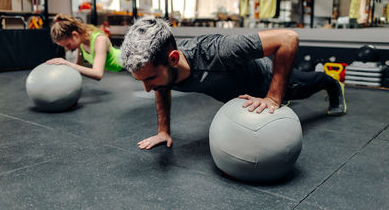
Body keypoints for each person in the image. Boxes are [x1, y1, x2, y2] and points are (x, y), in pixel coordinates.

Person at [120, 16, 346, 150]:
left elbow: (288, 38)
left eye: (150, 79)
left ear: (174, 60)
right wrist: (163, 131)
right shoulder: (163, 71)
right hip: (241, 92)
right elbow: (162, 87)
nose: (147, 89)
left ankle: (333, 85)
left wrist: (273, 97)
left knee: (306, 85)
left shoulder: (218, 51)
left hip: (265, 79)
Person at [46, 14, 123, 80]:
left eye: (68, 45)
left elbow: (98, 74)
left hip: (126, 64)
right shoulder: (81, 43)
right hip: (120, 71)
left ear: (75, 35)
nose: (68, 49)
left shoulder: (100, 40)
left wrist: (66, 63)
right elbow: (78, 65)